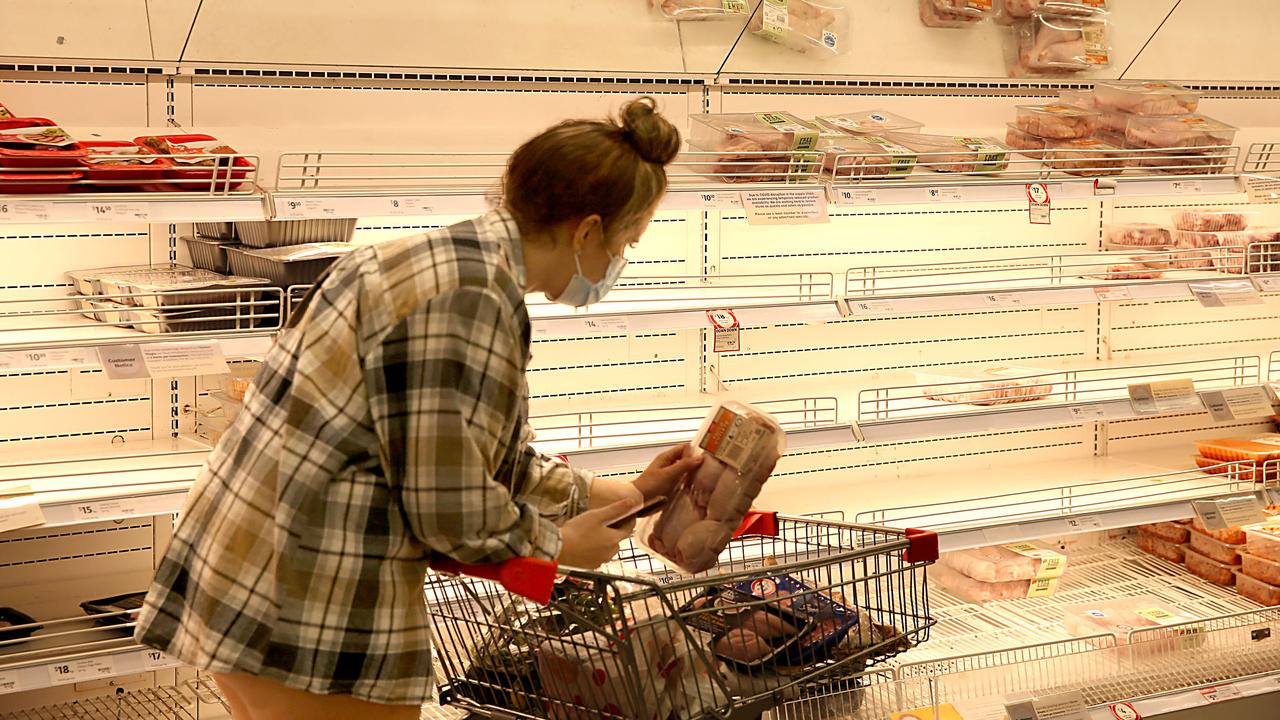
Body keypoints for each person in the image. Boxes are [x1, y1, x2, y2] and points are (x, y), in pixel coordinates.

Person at [134, 97, 701, 719]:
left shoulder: (428, 259)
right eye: (628, 241)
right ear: (587, 230)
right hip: (310, 594)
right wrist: (558, 546)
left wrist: (626, 494)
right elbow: (449, 508)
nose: (619, 262)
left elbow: (471, 456)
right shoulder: (472, 297)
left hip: (250, 571)